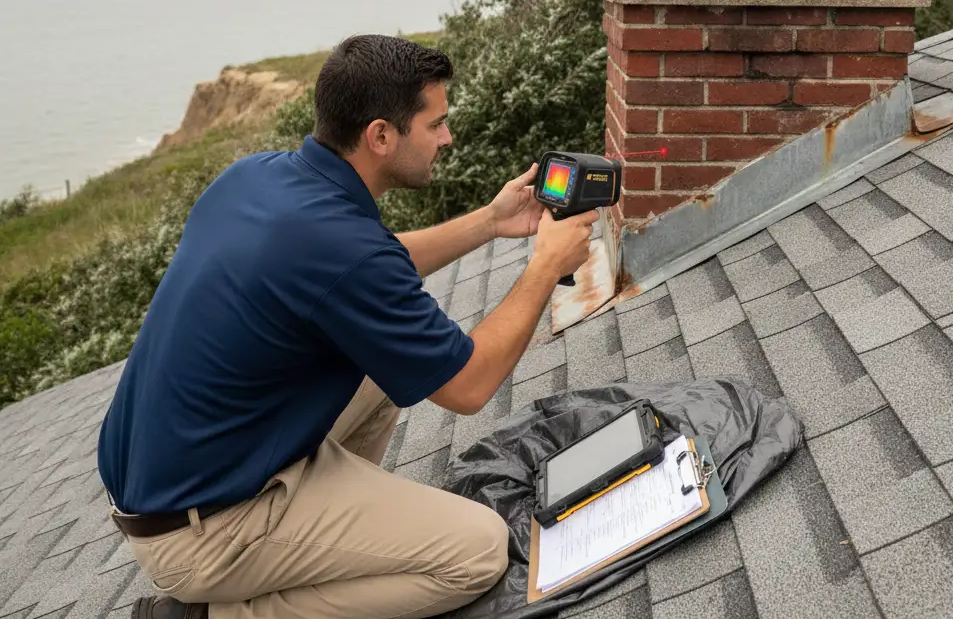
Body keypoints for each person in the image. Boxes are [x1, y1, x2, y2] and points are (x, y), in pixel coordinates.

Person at [97, 34, 598, 619]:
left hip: (166, 479)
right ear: (381, 136)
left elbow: (371, 269)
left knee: (382, 372)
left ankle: (333, 540)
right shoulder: (343, 249)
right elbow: (468, 385)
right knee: (477, 554)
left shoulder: (258, 177)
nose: (447, 138)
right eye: (434, 124)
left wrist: (490, 223)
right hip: (203, 533)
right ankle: (217, 613)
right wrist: (544, 268)